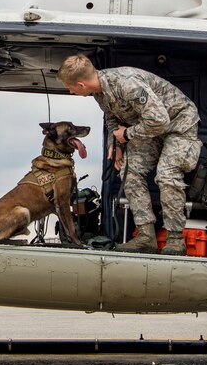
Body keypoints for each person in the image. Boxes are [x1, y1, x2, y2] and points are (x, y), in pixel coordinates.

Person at [58, 56, 199, 254]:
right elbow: (112, 118)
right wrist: (115, 144)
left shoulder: (127, 83)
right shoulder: (100, 92)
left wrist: (126, 135)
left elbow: (160, 120)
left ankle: (175, 239)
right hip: (149, 128)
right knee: (130, 173)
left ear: (81, 84)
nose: (71, 91)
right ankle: (146, 236)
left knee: (167, 175)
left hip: (178, 125)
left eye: (70, 87)